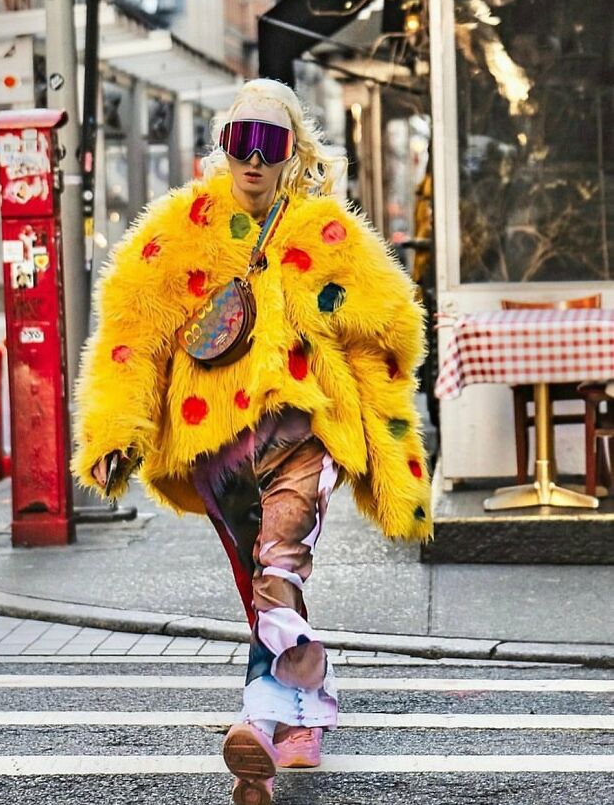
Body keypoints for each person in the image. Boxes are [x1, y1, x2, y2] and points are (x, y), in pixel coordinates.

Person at [73, 79, 431, 804]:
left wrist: (396, 466)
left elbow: (386, 336)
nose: (254, 160)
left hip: (306, 432)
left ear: (292, 152)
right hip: (216, 448)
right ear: (223, 146)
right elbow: (129, 334)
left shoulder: (325, 233)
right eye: (242, 141)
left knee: (278, 559)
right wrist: (114, 432)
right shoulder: (179, 230)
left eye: (270, 144)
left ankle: (260, 722)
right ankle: (303, 701)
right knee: (264, 584)